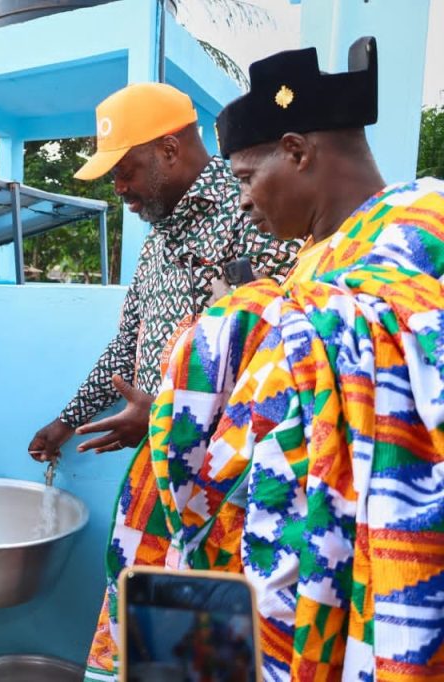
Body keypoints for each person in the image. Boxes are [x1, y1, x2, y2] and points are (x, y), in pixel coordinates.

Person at [86, 38, 444, 681]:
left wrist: (244, 325)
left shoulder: (421, 226)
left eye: (249, 178)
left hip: (346, 559)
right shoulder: (313, 250)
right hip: (249, 556)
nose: (246, 199)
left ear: (299, 152)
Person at [26, 83, 299, 462]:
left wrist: (162, 415)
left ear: (169, 150)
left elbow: (274, 361)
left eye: (125, 171)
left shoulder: (251, 212)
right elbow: (127, 345)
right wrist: (68, 420)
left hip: (229, 469)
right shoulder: (158, 238)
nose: (119, 188)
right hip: (163, 463)